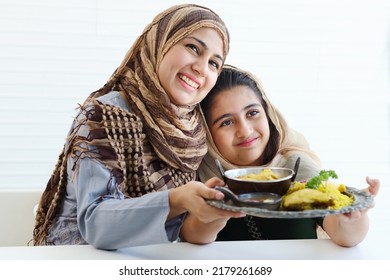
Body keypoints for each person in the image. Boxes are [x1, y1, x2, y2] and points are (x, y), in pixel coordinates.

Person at [32, 4, 244, 250]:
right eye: (193, 48)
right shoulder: (104, 115)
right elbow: (96, 223)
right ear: (160, 42)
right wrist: (176, 200)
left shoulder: (192, 130)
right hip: (77, 259)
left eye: (214, 64)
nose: (201, 68)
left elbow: (188, 234)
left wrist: (217, 211)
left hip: (147, 263)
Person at [196, 65, 380, 247]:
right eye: (226, 122)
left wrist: (354, 216)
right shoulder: (203, 176)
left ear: (268, 114)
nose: (245, 130)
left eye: (252, 113)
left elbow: (344, 235)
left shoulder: (294, 165)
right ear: (207, 133)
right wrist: (216, 207)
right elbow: (192, 237)